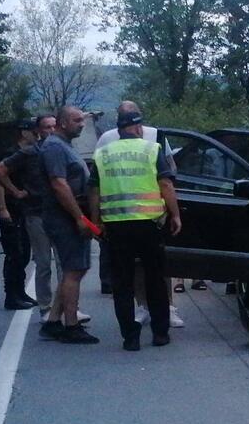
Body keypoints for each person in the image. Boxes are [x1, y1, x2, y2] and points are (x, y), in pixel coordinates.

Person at [90, 109, 181, 350]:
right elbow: (165, 184)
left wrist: (96, 222)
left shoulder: (103, 153)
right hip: (149, 224)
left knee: (122, 283)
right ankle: (160, 333)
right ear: (139, 128)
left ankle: (130, 338)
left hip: (116, 226)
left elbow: (94, 191)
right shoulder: (151, 149)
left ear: (119, 131)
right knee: (155, 278)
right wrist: (175, 214)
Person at [38, 106, 99, 344]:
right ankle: (71, 325)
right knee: (74, 270)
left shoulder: (63, 145)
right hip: (63, 218)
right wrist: (79, 217)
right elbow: (59, 185)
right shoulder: (54, 147)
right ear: (62, 123)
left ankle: (53, 322)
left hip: (68, 217)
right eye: (76, 120)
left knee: (75, 270)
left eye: (82, 120)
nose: (81, 124)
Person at [0, 123, 37, 310]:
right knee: (14, 253)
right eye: (33, 131)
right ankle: (11, 295)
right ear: (24, 133)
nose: (36, 135)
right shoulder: (11, 153)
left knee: (24, 252)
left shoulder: (28, 153)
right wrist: (3, 207)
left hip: (23, 209)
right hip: (11, 208)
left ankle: (20, 291)